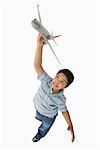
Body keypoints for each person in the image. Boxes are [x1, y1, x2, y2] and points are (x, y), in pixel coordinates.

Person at [32, 33, 75, 142]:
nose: (57, 81)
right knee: (38, 116)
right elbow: (37, 65)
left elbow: (64, 112)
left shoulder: (60, 99)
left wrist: (70, 125)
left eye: (62, 81)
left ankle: (39, 135)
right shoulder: (47, 80)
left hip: (48, 117)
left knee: (44, 127)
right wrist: (39, 45)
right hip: (38, 109)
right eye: (57, 76)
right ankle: (38, 117)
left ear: (65, 87)